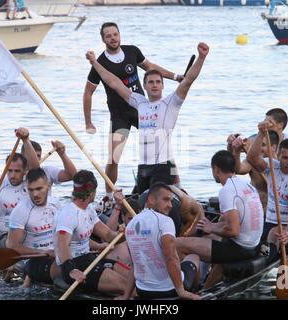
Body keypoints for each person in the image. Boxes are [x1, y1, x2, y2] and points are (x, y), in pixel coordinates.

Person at [86, 42, 209, 195]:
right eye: (151, 82)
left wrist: (201, 57)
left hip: (163, 166)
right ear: (144, 86)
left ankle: (179, 193)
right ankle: (177, 191)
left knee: (152, 202)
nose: (155, 85)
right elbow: (114, 82)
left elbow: (189, 79)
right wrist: (94, 63)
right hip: (143, 168)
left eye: (158, 82)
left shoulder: (171, 102)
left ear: (163, 86)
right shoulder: (139, 102)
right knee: (138, 207)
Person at [83, 22, 184, 201]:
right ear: (103, 39)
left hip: (141, 110)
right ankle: (108, 196)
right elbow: (88, 92)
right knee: (114, 157)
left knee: (164, 146)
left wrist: (175, 77)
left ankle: (178, 188)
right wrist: (88, 122)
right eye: (108, 36)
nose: (113, 38)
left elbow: (152, 68)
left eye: (115, 34)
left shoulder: (132, 51)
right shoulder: (100, 63)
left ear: (119, 35)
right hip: (120, 115)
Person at [175, 151, 264, 265]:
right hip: (254, 244)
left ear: (216, 169)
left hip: (241, 248)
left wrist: (211, 228)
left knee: (177, 244)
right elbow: (234, 223)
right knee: (204, 235)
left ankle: (186, 280)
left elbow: (233, 231)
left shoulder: (226, 190)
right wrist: (211, 227)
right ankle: (208, 281)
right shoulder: (247, 186)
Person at [51, 170, 130, 295]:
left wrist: (124, 234)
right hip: (72, 265)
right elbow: (62, 245)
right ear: (92, 192)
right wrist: (72, 270)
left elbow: (108, 235)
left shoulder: (89, 211)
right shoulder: (68, 214)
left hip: (88, 258)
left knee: (132, 279)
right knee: (126, 287)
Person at [117, 183, 200, 300]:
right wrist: (181, 291)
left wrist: (126, 296)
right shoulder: (165, 221)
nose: (170, 205)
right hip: (169, 290)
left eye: (171, 201)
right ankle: (195, 291)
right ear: (151, 199)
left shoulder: (130, 225)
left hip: (143, 291)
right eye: (166, 200)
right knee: (193, 257)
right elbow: (171, 257)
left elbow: (134, 264)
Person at [246, 122, 288, 261]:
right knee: (247, 241)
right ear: (277, 155)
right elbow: (251, 158)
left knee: (274, 234)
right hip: (268, 223)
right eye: (285, 158)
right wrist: (261, 134)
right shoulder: (272, 168)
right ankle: (260, 256)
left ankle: (264, 260)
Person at [6, 168, 60, 286]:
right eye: (30, 190)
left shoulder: (55, 204)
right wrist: (44, 252)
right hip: (31, 260)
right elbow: (12, 247)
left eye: (39, 189)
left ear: (48, 186)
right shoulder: (20, 211)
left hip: (54, 254)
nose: (35, 194)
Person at [229, 130, 280, 212]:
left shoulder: (283, 163)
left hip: (275, 212)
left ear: (273, 148)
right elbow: (237, 169)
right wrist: (235, 150)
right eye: (255, 146)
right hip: (256, 211)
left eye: (263, 145)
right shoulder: (251, 162)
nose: (258, 149)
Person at [138, 185, 205, 237]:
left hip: (144, 195)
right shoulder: (191, 205)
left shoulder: (185, 201)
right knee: (174, 238)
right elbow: (199, 214)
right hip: (173, 202)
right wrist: (185, 235)